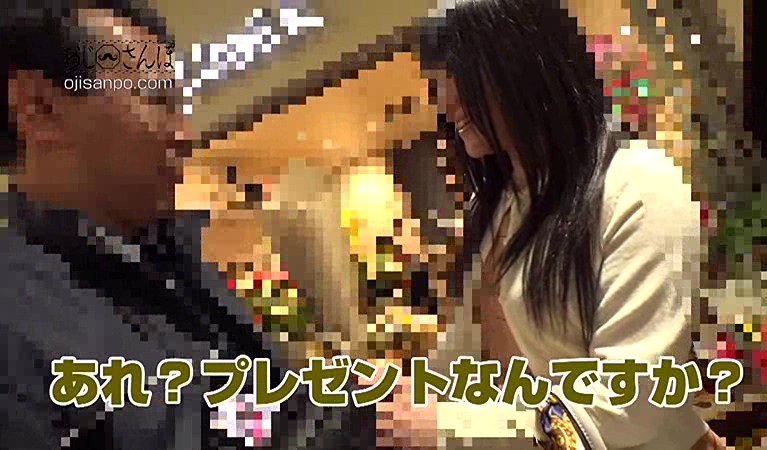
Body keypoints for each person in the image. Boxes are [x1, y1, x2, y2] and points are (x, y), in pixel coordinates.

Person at [0, 1, 375, 448]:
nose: (186, 134)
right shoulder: (17, 326)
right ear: (40, 109)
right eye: (158, 101)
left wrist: (370, 412)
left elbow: (261, 411)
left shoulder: (173, 258)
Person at [418, 0, 726, 448]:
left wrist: (449, 427)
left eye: (458, 71)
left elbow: (632, 401)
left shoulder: (637, 185)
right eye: (437, 77)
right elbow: (466, 353)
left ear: (523, 62)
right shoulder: (499, 206)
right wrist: (407, 399)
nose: (445, 99)